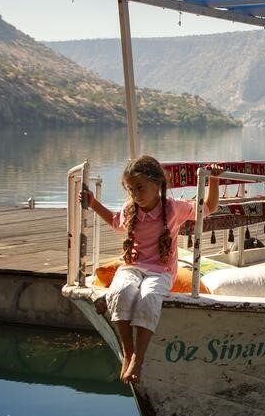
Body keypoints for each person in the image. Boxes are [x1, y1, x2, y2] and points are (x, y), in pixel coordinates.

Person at [82, 155, 222, 384]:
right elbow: (117, 223)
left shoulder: (173, 208)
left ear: (157, 184)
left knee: (148, 297)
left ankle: (139, 358)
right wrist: (94, 203)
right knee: (121, 291)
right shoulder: (130, 209)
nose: (135, 194)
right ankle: (128, 353)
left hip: (161, 270)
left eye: (140, 187)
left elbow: (207, 208)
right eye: (130, 189)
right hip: (133, 266)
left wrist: (213, 180)